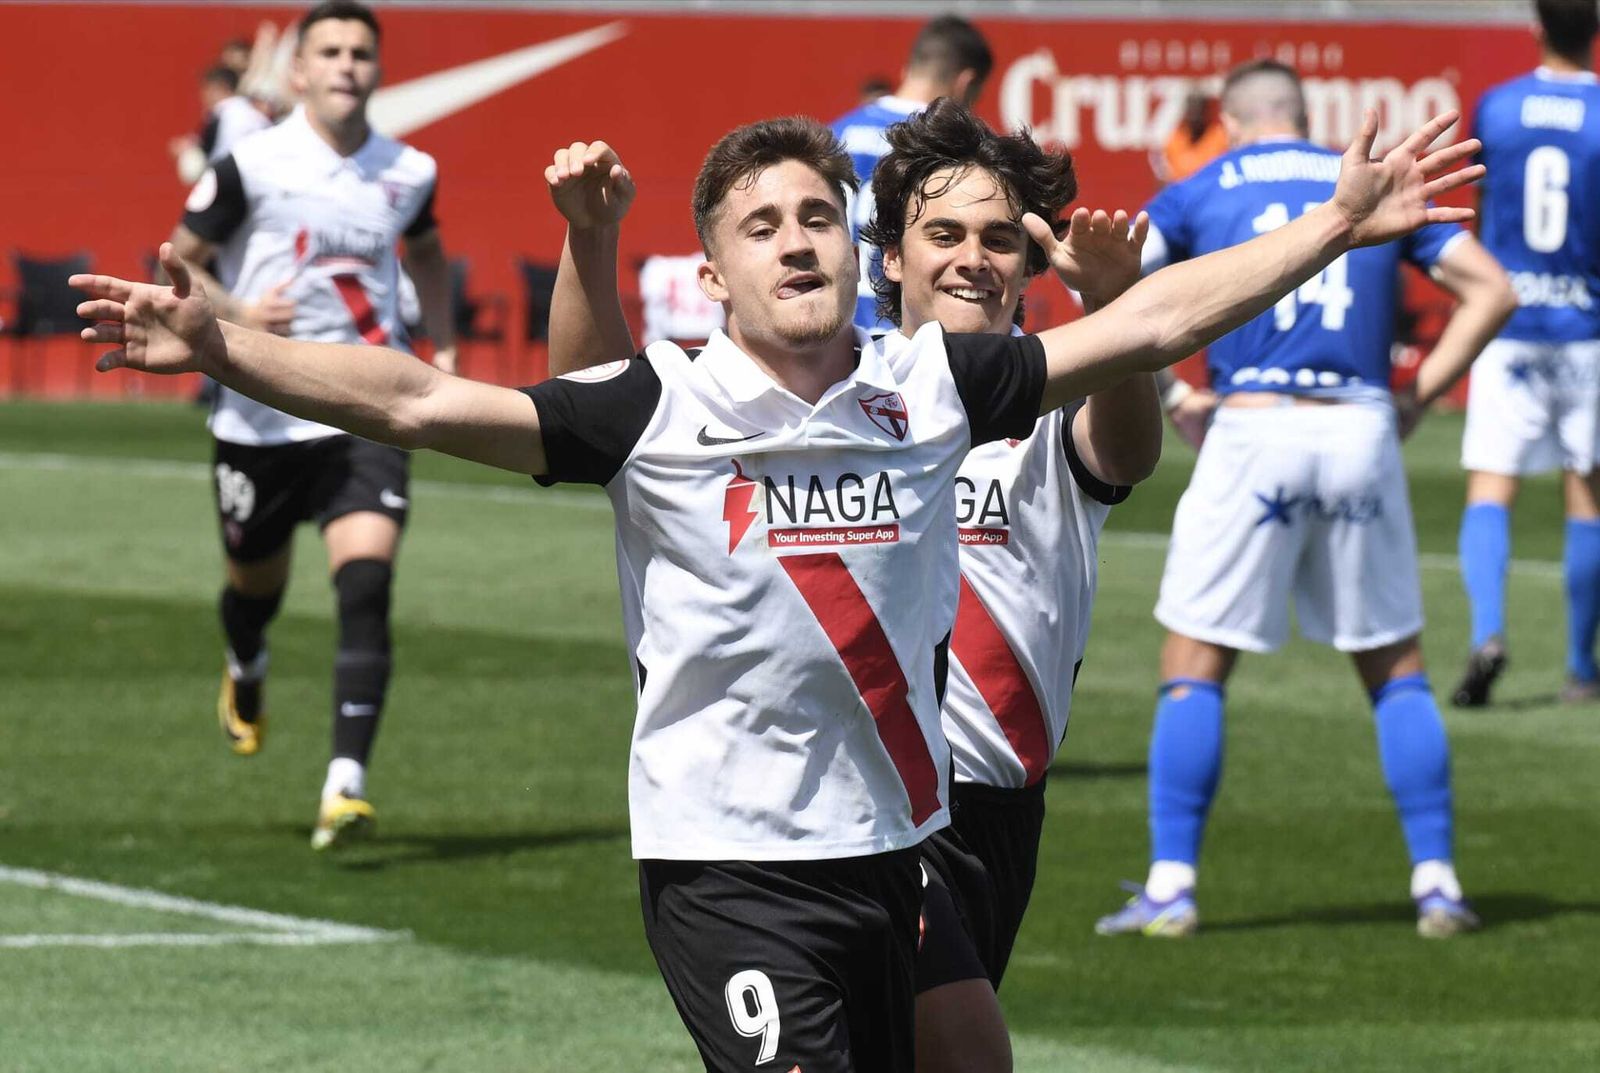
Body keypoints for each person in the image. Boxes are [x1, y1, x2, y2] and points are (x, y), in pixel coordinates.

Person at [75, 106, 1480, 1071]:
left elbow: (1155, 320)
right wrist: (225, 351)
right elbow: (425, 399)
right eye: (763, 224)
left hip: (897, 860)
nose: (799, 236)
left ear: (855, 255)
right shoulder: (657, 409)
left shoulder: (932, 388)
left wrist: (1336, 227)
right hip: (732, 875)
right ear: (717, 274)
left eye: (818, 214)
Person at [542, 98, 1161, 1073]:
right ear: (888, 260)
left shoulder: (1042, 405)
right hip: (881, 805)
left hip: (1002, 816)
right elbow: (590, 412)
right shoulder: (839, 392)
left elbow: (1126, 453)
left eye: (1000, 238)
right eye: (944, 234)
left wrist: (1119, 315)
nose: (972, 258)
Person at [1094, 60, 1515, 942]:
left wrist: (1176, 397)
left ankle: (1173, 885)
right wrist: (1419, 392)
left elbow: (1123, 294)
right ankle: (1437, 883)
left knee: (1194, 665)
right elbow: (1492, 290)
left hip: (1252, 428)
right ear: (1304, 116)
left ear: (1238, 125)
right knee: (1395, 668)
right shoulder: (1356, 183)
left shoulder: (1206, 184)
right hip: (1358, 428)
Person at [166, 0, 457, 851]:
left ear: (377, 68)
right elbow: (179, 256)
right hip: (258, 416)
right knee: (254, 591)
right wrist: (243, 309)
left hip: (368, 407)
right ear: (297, 71)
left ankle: (345, 784)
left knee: (365, 585)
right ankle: (246, 665)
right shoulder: (250, 165)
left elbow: (431, 255)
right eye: (328, 51)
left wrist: (436, 345)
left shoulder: (411, 169)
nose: (346, 65)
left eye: (360, 52)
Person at [1453, 0, 1600, 707]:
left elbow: (1479, 213)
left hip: (1508, 324)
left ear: (1537, 27)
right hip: (1587, 329)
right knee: (1586, 492)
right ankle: (1579, 666)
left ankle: (1488, 631)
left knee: (1491, 485)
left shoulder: (1498, 108)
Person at [831, 15, 993, 330]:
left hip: (841, 341)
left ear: (910, 69)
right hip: (910, 336)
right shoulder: (955, 146)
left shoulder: (833, 136)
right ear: (965, 83)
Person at [168, 65, 272, 185]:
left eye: (206, 89)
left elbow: (210, 151)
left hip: (237, 181)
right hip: (261, 179)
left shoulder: (222, 113)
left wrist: (190, 149)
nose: (203, 96)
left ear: (218, 88)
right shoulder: (251, 112)